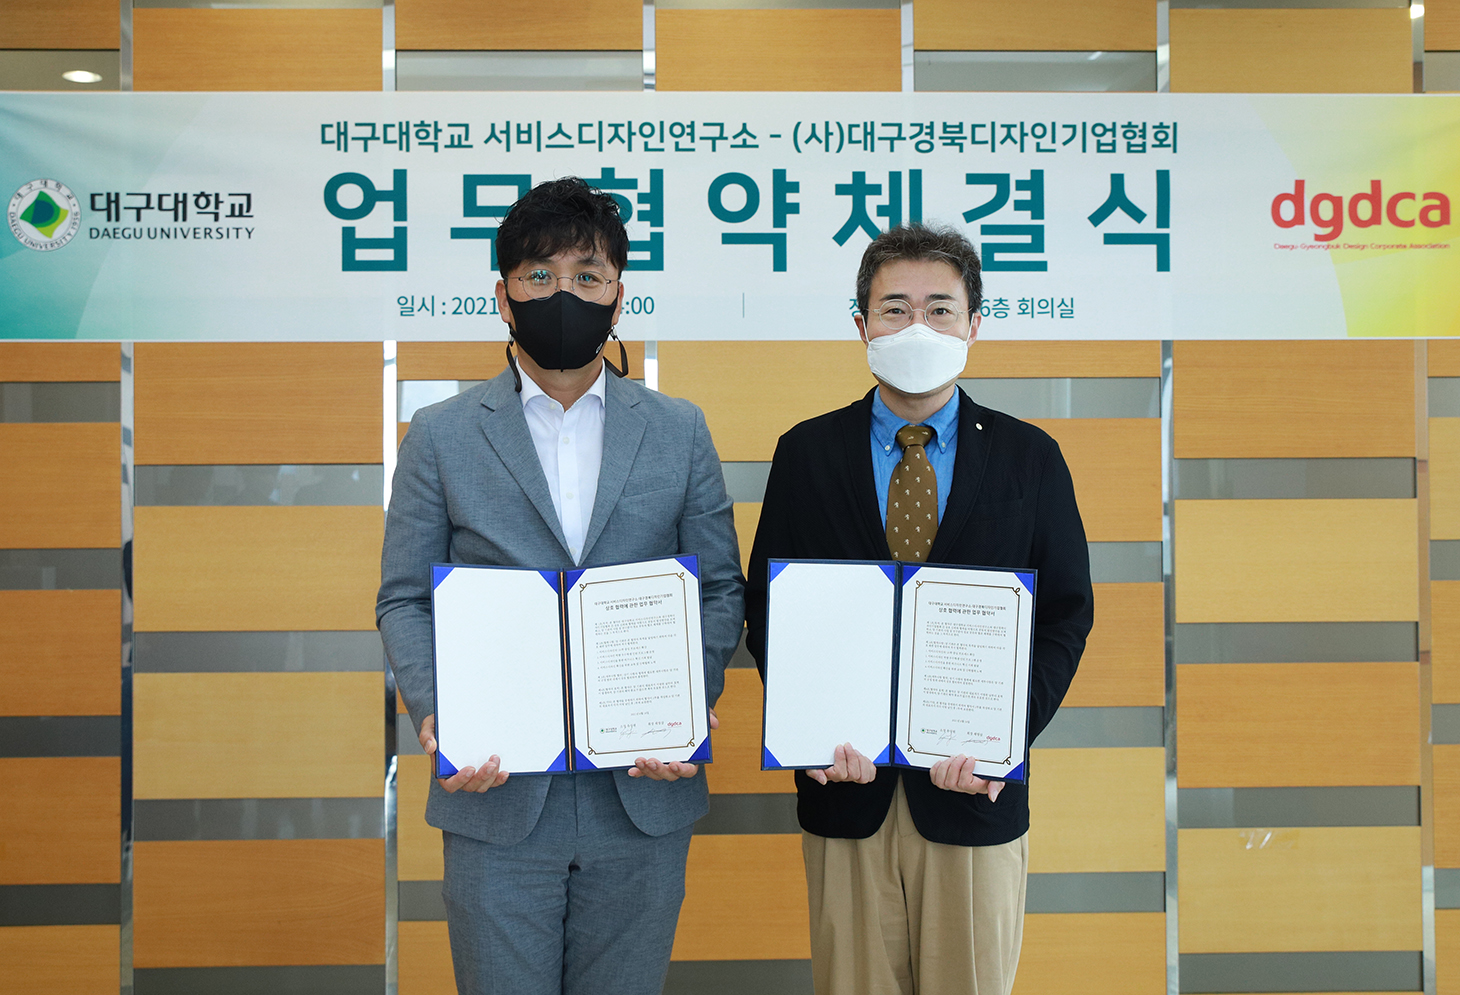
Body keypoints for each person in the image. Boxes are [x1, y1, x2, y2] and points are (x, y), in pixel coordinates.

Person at [377, 176, 745, 995]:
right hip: (496, 793)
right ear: (503, 296)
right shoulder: (440, 435)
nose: (564, 294)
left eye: (587, 275)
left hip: (641, 794)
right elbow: (404, 597)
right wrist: (440, 714)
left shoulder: (679, 429)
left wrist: (689, 701)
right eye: (539, 275)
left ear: (618, 297)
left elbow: (720, 589)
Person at [745, 223, 1094, 995]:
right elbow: (770, 607)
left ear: (974, 324)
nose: (918, 327)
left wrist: (1005, 739)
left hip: (972, 796)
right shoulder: (806, 452)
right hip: (846, 792)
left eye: (940, 309)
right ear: (862, 325)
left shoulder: (1029, 458)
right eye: (895, 308)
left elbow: (1065, 614)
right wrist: (808, 728)